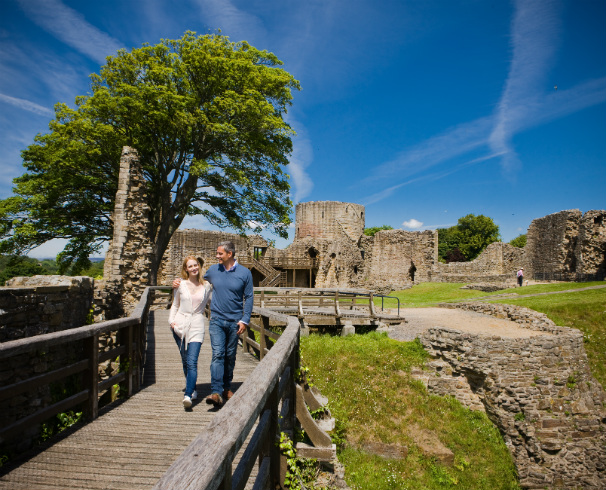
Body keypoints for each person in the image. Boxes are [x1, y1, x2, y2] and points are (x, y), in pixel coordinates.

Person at [173, 241, 253, 408]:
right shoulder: (213, 270)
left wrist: (245, 319)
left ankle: (226, 387)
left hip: (235, 321)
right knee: (218, 354)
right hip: (216, 320)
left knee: (230, 356)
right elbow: (194, 278)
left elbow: (249, 297)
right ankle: (216, 392)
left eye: (220, 254)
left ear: (229, 254)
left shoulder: (245, 273)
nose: (217, 256)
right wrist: (178, 281)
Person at [169, 256, 212, 409]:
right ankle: (192, 388)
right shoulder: (180, 284)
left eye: (196, 265)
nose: (194, 268)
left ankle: (187, 394)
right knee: (185, 360)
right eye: (191, 266)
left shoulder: (207, 286)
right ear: (186, 269)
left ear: (199, 267)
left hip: (197, 325)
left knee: (192, 361)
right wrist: (171, 322)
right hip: (179, 325)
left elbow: (214, 303)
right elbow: (175, 305)